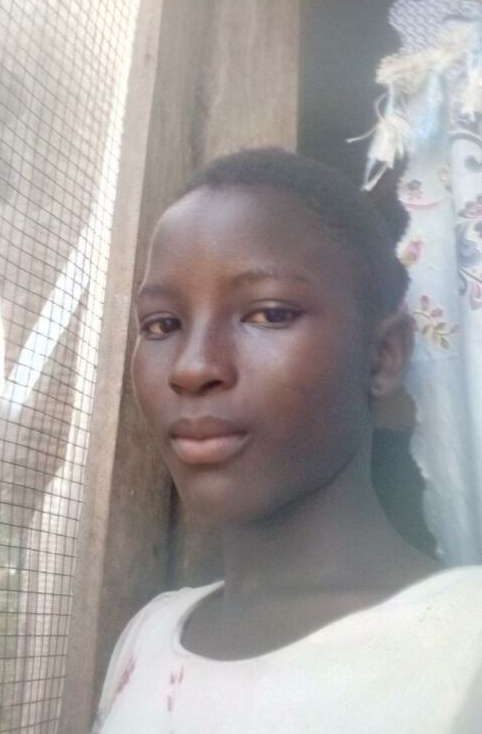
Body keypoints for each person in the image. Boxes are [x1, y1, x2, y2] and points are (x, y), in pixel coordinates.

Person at [93, 147, 482, 733]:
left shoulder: (465, 646)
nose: (192, 368)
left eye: (269, 314)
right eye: (162, 325)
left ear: (383, 355)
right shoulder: (147, 637)